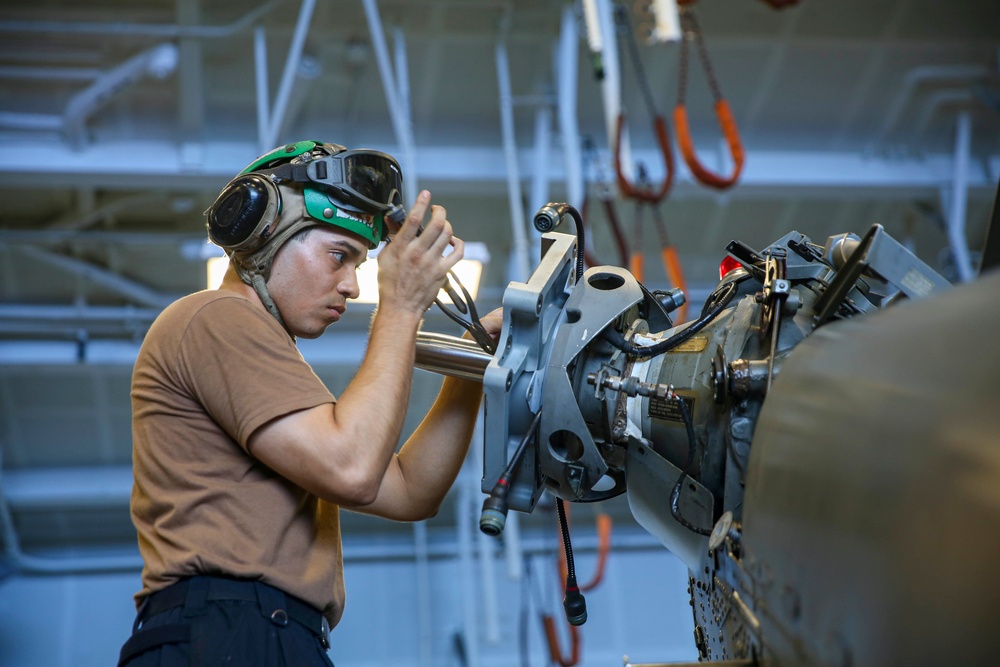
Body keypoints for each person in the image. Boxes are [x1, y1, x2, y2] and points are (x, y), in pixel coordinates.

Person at [118, 140, 501, 666]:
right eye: (338, 256)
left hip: (265, 634)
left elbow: (411, 492)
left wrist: (475, 370)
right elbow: (353, 470)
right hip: (227, 632)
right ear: (265, 234)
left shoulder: (273, 367)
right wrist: (402, 305)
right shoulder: (214, 317)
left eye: (361, 264)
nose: (351, 285)